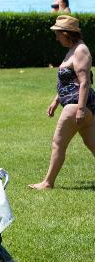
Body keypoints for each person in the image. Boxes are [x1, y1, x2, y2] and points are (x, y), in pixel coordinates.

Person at [29, 16, 95, 190]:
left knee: (58, 143)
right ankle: (48, 182)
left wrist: (80, 109)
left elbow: (84, 82)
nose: (56, 38)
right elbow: (69, 81)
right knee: (93, 144)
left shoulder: (80, 50)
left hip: (76, 106)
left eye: (58, 34)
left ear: (67, 34)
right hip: (77, 105)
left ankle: (48, 182)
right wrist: (56, 100)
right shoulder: (74, 49)